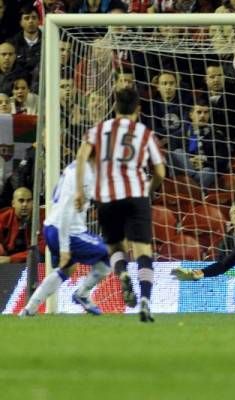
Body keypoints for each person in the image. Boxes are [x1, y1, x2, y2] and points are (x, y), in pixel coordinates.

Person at [75, 87, 166, 323]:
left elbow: (82, 157)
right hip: (136, 195)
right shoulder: (144, 133)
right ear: (138, 108)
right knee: (144, 250)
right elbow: (160, 171)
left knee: (116, 248)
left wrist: (79, 190)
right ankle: (145, 300)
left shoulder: (98, 130)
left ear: (114, 107)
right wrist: (149, 188)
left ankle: (123, 272)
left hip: (106, 197)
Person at [20, 161, 111, 316]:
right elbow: (66, 211)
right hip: (67, 230)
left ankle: (29, 309)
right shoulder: (85, 174)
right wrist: (64, 249)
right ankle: (82, 294)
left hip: (51, 226)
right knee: (108, 252)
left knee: (67, 269)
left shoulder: (75, 166)